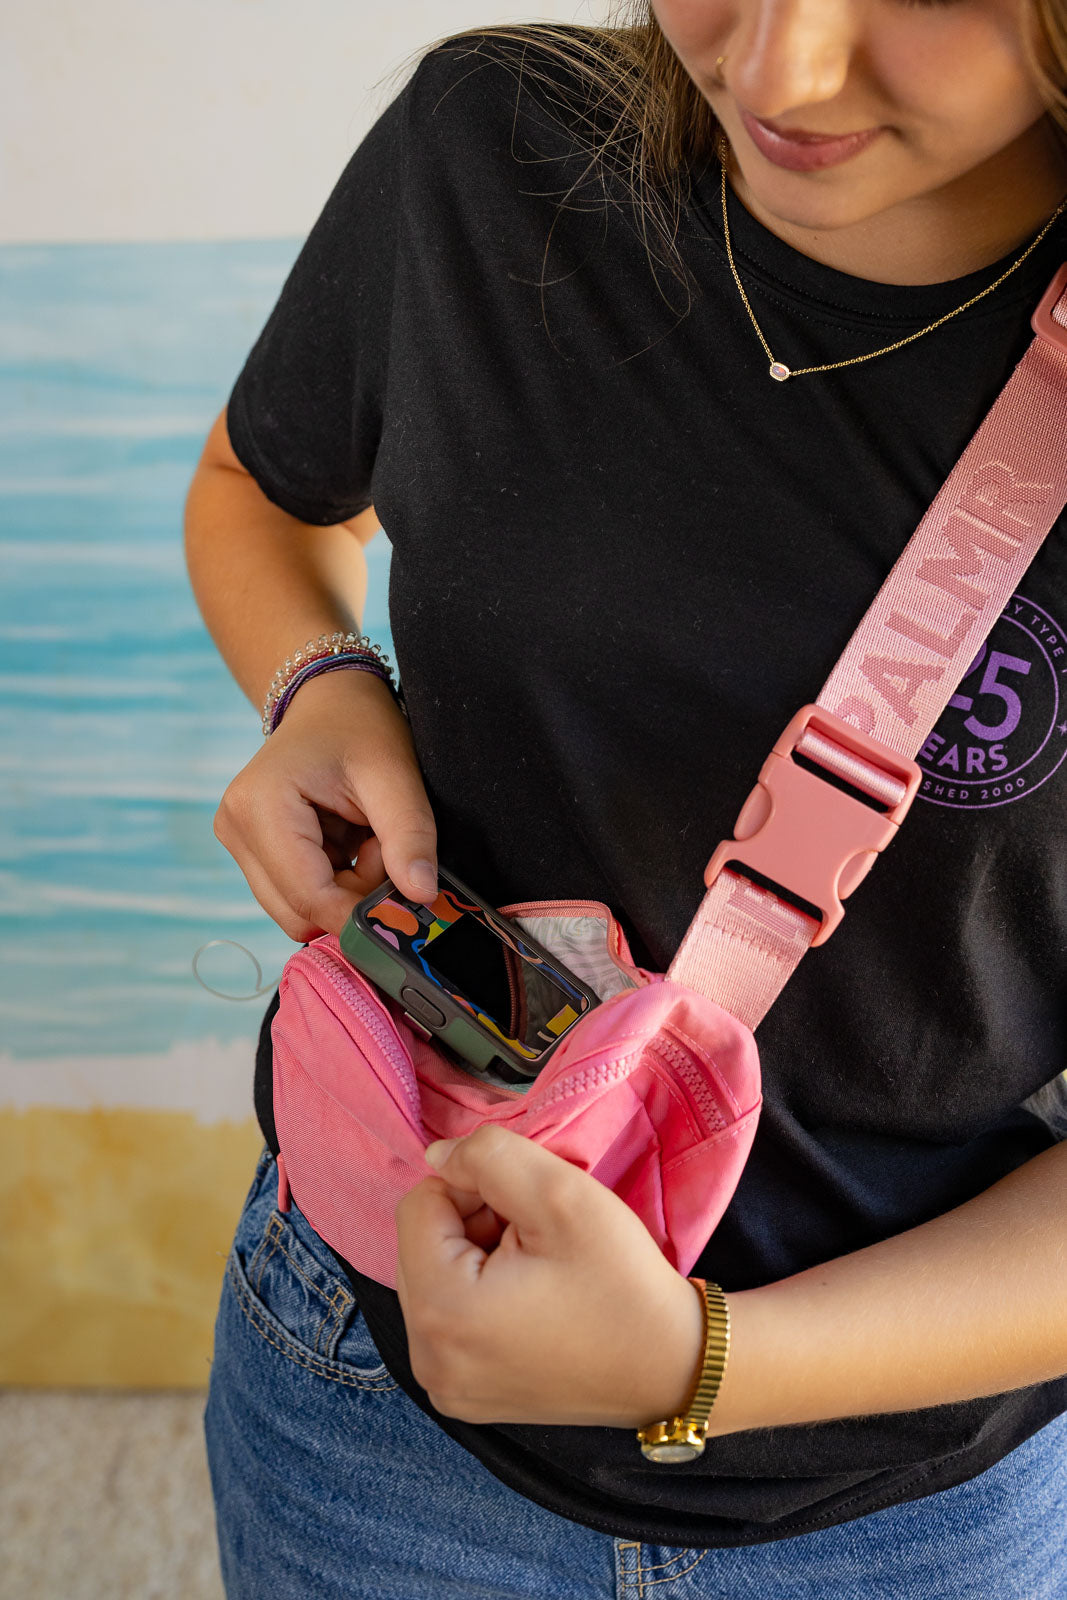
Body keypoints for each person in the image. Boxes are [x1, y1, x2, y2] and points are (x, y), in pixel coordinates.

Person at [184, 2, 1067, 1594]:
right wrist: (320, 684)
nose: (777, 72)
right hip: (362, 1390)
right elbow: (259, 490)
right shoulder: (492, 146)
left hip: (903, 1508)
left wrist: (698, 1363)